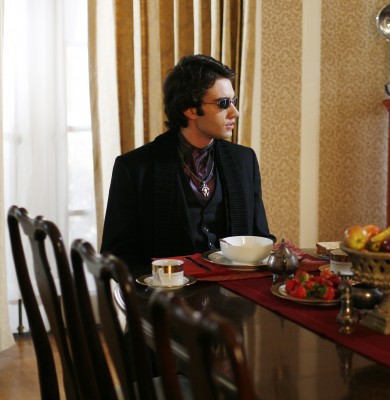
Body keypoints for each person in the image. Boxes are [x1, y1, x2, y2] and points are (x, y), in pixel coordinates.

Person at [101, 54, 275, 275]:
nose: (235, 112)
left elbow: (261, 239)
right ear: (190, 109)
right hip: (167, 294)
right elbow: (116, 256)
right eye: (223, 103)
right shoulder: (134, 168)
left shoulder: (244, 160)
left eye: (234, 101)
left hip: (235, 291)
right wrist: (161, 282)